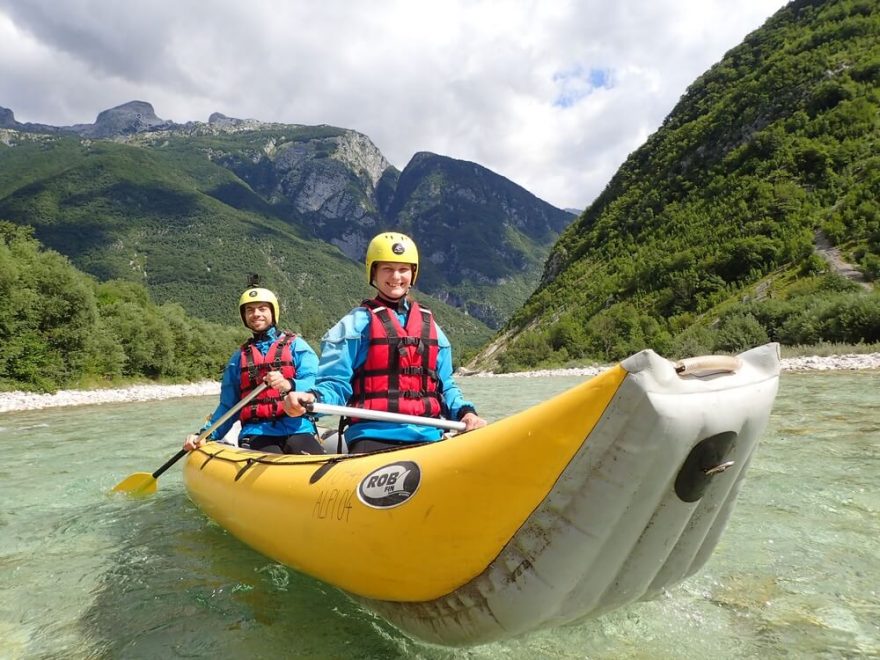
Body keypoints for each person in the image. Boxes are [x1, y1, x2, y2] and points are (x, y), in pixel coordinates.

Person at [283, 231, 486, 453]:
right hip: (372, 435)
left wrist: (466, 412)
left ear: (413, 274)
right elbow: (335, 384)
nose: (396, 277)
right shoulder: (354, 325)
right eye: (387, 269)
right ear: (374, 273)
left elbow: (445, 385)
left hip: (429, 434)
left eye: (403, 269)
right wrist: (311, 398)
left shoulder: (432, 328)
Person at [183, 283, 325, 455]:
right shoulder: (238, 358)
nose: (256, 314)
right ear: (244, 316)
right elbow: (228, 406)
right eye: (250, 310)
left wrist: (290, 384)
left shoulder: (298, 347)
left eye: (262, 309)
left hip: (298, 427)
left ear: (273, 312)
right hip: (256, 432)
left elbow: (315, 384)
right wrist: (205, 434)